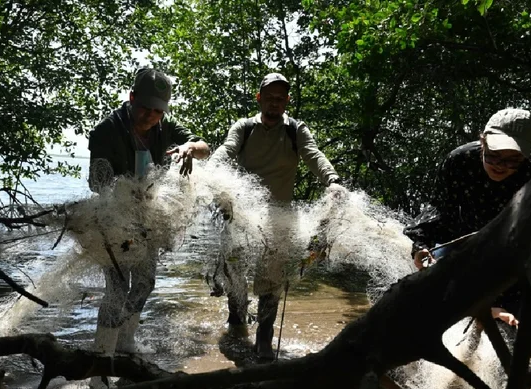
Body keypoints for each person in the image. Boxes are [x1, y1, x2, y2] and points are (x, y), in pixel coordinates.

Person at [211, 72, 341, 359]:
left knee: (271, 282)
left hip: (278, 219)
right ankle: (236, 327)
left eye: (280, 98)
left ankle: (264, 340)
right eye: (269, 97)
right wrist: (212, 170)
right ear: (259, 99)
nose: (274, 103)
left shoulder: (295, 130)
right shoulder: (244, 127)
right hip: (240, 218)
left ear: (286, 101)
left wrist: (332, 180)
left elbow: (313, 154)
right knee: (234, 276)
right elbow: (227, 149)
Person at [87, 68, 210, 356]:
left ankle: (125, 342)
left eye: (158, 111)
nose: (151, 117)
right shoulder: (106, 131)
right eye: (145, 109)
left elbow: (205, 147)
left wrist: (190, 147)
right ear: (131, 99)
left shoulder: (165, 128)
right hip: (113, 220)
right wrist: (126, 190)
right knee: (116, 289)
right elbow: (96, 184)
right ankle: (102, 354)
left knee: (144, 283)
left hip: (148, 222)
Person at [404, 107, 531, 324]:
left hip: (508, 252)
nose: (500, 166)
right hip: (461, 241)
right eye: (493, 155)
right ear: (482, 141)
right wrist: (421, 246)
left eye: (511, 160)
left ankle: (494, 310)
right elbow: (439, 210)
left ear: (525, 155)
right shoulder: (460, 161)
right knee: (430, 293)